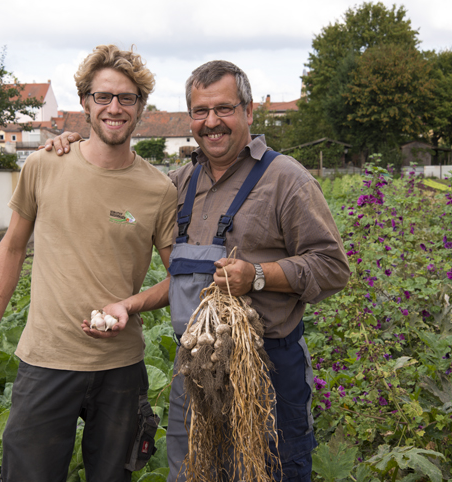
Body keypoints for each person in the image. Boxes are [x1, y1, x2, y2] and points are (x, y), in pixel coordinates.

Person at [46, 60, 350, 482]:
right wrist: (74, 147)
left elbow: (333, 267)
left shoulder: (286, 179)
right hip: (194, 373)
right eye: (200, 111)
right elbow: (177, 272)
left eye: (223, 109)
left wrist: (257, 276)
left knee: (268, 472)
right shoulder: (179, 183)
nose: (211, 123)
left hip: (265, 370)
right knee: (191, 472)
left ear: (247, 111)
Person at [0, 44, 177, 482]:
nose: (114, 108)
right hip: (46, 360)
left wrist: (131, 306)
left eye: (126, 97)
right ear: (85, 102)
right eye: (103, 96)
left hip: (120, 368)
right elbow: (11, 248)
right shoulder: (45, 165)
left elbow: (182, 278)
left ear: (140, 106)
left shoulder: (158, 190)